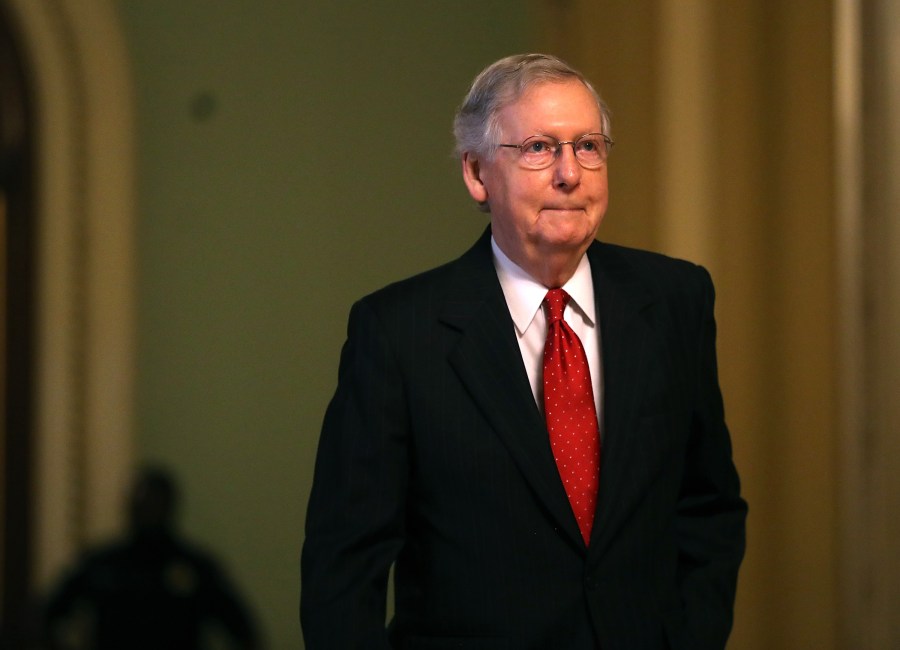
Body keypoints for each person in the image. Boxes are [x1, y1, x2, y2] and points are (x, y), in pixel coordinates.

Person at [301, 53, 747, 650]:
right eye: (539, 147)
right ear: (477, 174)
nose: (570, 173)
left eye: (588, 145)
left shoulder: (675, 300)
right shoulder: (398, 332)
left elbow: (707, 507)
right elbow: (344, 569)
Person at [43, 466, 261, 650]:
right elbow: (47, 616)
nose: (146, 511)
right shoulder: (102, 564)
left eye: (154, 504)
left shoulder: (195, 568)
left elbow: (242, 629)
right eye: (141, 504)